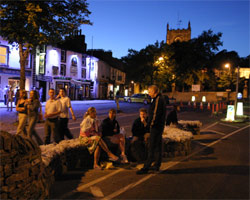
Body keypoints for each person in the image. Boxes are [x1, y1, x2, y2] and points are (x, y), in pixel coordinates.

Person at [137, 85, 166, 174]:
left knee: (152, 147)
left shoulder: (158, 100)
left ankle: (147, 166)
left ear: (154, 91)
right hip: (158, 127)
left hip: (156, 127)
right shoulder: (160, 99)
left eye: (150, 92)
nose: (149, 94)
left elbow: (155, 114)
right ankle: (156, 165)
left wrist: (150, 125)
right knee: (157, 146)